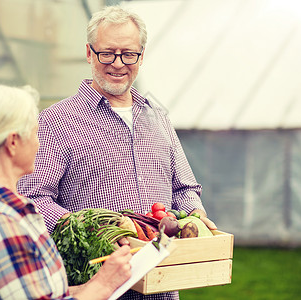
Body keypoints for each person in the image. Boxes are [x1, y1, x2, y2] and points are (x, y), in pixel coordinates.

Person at [18, 5, 217, 300]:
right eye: (107, 53)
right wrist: (93, 231)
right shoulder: (55, 121)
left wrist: (194, 216)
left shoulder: (157, 118)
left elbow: (184, 187)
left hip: (161, 288)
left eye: (128, 54)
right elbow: (32, 199)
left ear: (141, 55)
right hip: (96, 289)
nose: (118, 63)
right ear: (89, 53)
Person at [0, 84, 132, 300]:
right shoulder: (0, 221)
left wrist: (90, 286)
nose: (38, 144)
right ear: (13, 142)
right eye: (35, 134)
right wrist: (104, 284)